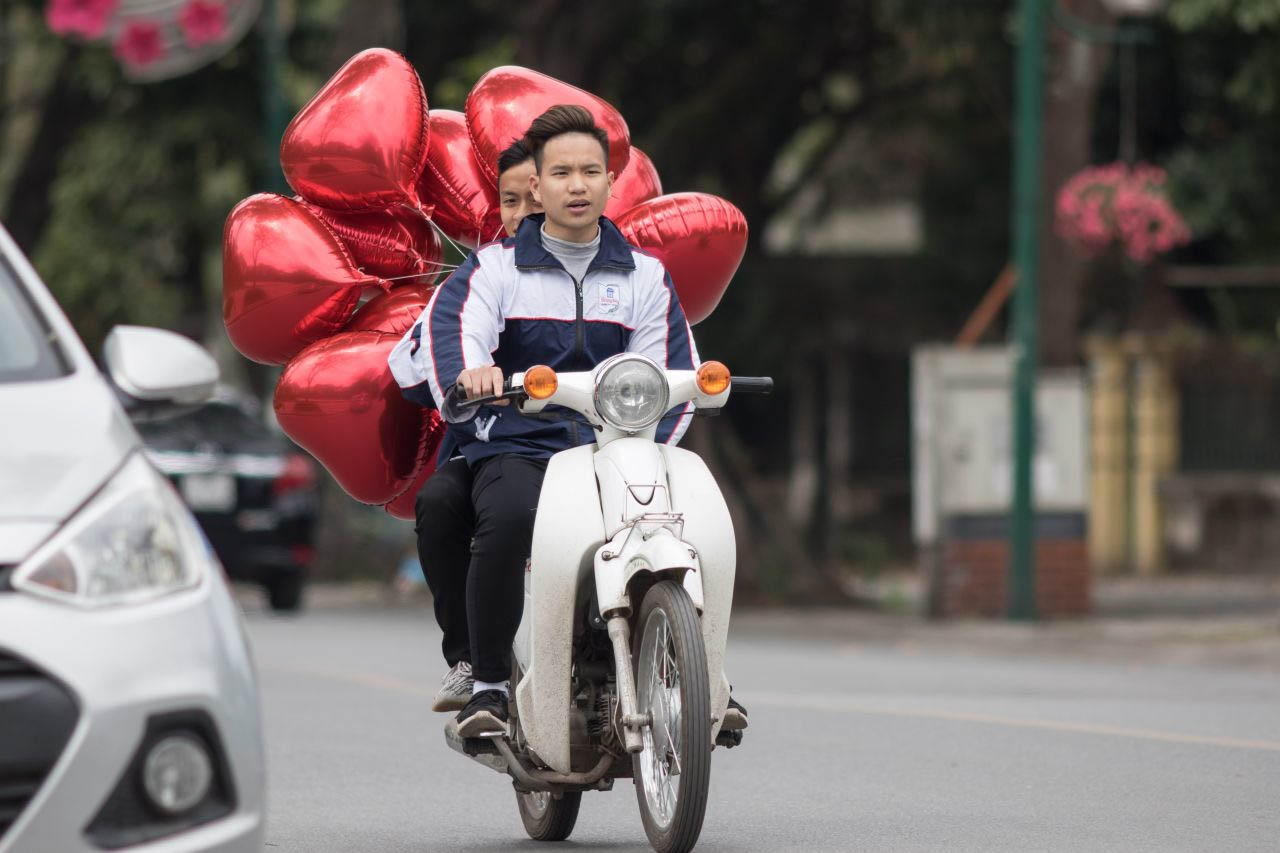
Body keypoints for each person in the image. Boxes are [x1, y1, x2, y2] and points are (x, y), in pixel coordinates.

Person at [390, 105, 746, 737]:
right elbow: (455, 338)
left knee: (700, 526)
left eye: (590, 172)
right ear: (538, 186)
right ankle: (490, 686)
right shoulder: (493, 269)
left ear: (610, 183)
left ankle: (706, 678)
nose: (576, 186)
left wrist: (648, 439)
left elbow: (672, 372)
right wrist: (473, 374)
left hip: (621, 448)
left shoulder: (645, 276)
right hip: (522, 446)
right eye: (561, 173)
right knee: (504, 520)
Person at [405, 139, 543, 715]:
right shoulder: (482, 274)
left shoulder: (630, 271)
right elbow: (421, 361)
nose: (523, 213)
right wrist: (466, 370)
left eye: (534, 197)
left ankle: (700, 668)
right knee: (442, 502)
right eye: (509, 201)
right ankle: (475, 664)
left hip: (595, 442)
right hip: (492, 446)